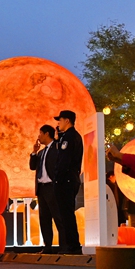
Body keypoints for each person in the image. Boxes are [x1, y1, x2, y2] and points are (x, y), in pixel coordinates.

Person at [52, 109, 85, 254]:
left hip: (66, 180)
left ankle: (72, 245)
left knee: (66, 214)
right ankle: (71, 244)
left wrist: (57, 178)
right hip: (71, 178)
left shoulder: (69, 137)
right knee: (66, 213)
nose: (58, 123)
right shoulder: (70, 137)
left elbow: (64, 161)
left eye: (60, 120)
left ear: (67, 121)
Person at [29, 124, 59, 252]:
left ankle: (64, 245)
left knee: (58, 216)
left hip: (53, 187)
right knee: (44, 218)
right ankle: (47, 245)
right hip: (42, 188)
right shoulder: (41, 152)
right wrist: (34, 152)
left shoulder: (56, 149)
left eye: (40, 133)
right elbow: (32, 166)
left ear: (47, 134)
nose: (39, 136)